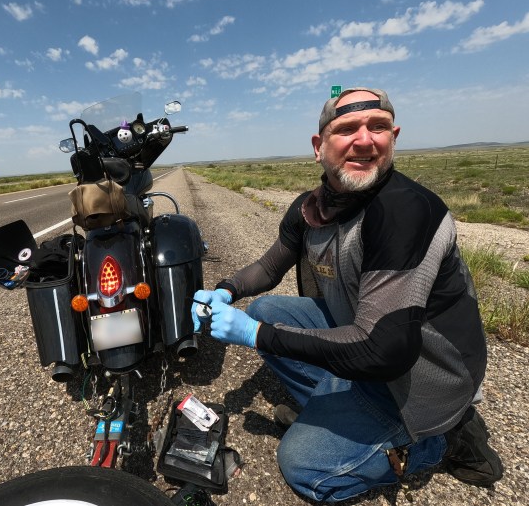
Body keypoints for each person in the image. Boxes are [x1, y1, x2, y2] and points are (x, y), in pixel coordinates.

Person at [191, 87, 503, 502]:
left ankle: (441, 440)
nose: (364, 139)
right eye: (347, 128)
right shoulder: (312, 208)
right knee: (267, 307)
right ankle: (343, 412)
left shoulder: (403, 211)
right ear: (319, 147)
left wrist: (254, 335)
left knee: (303, 465)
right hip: (368, 339)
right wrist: (225, 290)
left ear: (393, 137)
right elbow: (268, 268)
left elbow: (382, 350)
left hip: (427, 373)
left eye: (378, 127)